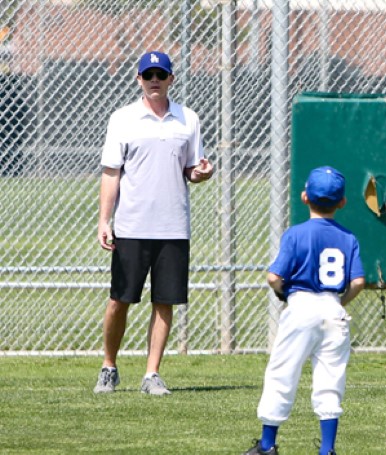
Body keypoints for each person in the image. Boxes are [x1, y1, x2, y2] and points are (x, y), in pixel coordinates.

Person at [93, 51, 214, 395]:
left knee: (165, 300)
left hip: (173, 227)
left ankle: (151, 374)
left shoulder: (187, 119)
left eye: (161, 74)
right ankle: (109, 366)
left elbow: (192, 169)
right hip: (131, 226)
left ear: (172, 79)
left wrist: (202, 172)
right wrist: (105, 220)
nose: (155, 80)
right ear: (139, 80)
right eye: (149, 75)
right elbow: (111, 173)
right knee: (120, 299)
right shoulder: (123, 118)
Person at [245, 166, 366, 455]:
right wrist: (339, 302)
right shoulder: (348, 237)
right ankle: (327, 449)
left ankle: (267, 445)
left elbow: (274, 277)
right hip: (333, 310)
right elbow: (359, 281)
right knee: (330, 378)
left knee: (282, 374)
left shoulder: (295, 234)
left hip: (300, 306)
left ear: (304, 197)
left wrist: (284, 293)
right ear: (342, 202)